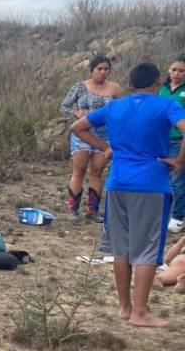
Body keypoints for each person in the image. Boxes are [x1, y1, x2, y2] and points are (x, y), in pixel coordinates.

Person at [71, 61, 185, 328]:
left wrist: (105, 148)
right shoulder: (166, 105)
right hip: (150, 185)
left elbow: (77, 127)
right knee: (146, 249)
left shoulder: (115, 106)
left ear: (131, 84)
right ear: (157, 82)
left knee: (121, 249)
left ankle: (124, 308)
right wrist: (180, 161)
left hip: (117, 184)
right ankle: (140, 312)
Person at [60, 55, 122, 222]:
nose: (103, 72)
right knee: (79, 170)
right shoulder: (80, 87)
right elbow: (64, 106)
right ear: (92, 70)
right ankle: (73, 209)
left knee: (97, 172)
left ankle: (93, 210)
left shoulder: (115, 88)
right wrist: (76, 113)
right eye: (99, 69)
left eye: (106, 69)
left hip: (105, 136)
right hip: (82, 133)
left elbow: (121, 110)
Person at [160, 55, 185, 232]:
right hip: (162, 138)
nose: (176, 74)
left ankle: (178, 217)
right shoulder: (161, 88)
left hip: (179, 139)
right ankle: (163, 213)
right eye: (174, 70)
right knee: (163, 177)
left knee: (178, 180)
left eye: (181, 71)